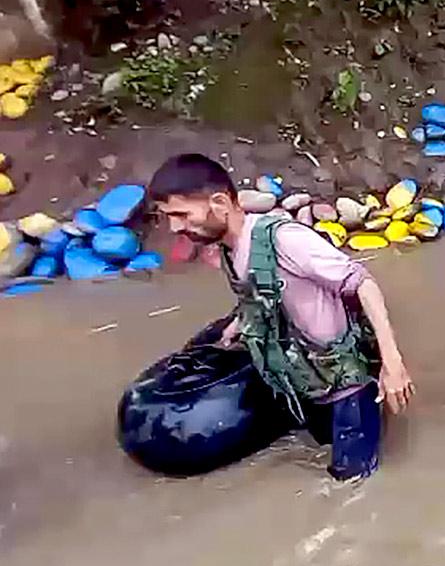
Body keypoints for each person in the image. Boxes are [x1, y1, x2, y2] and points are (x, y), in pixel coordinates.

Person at [147, 154, 415, 481]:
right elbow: (257, 296)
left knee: (352, 482)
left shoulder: (285, 239)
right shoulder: (229, 249)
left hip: (345, 386)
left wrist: (393, 362)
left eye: (181, 215)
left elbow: (363, 283)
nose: (175, 227)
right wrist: (237, 327)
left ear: (219, 203)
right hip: (302, 380)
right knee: (313, 443)